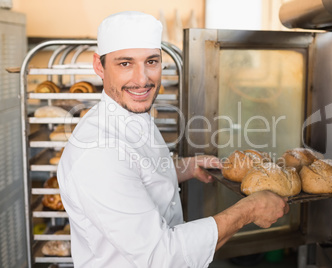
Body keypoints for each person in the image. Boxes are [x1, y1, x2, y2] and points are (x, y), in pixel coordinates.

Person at [57, 11, 289, 268]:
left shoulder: (132, 113)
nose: (142, 79)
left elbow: (135, 172)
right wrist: (247, 211)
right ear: (99, 66)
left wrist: (182, 168)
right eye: (125, 63)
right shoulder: (98, 153)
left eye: (151, 62)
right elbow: (162, 256)